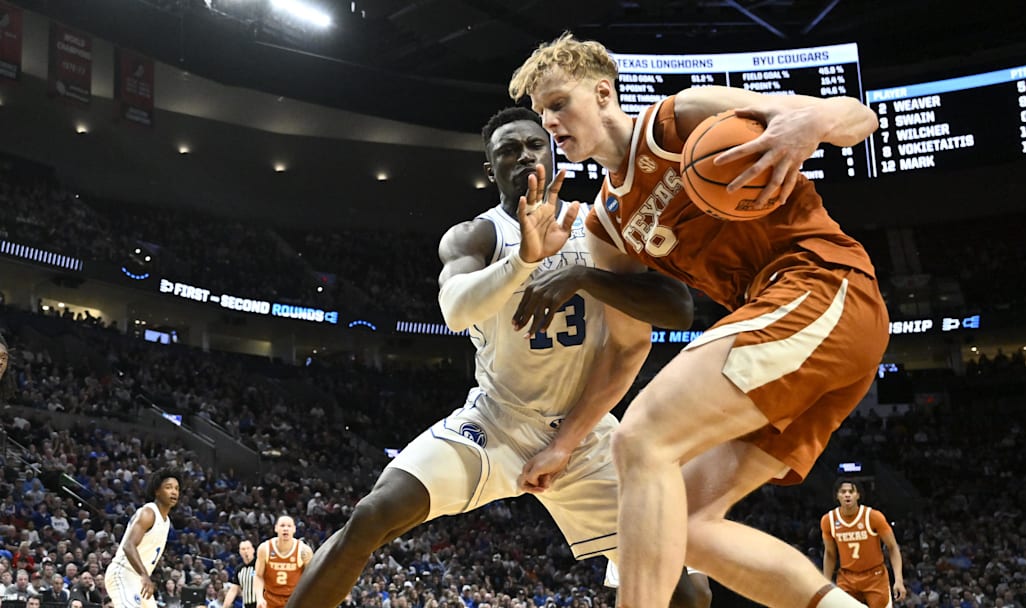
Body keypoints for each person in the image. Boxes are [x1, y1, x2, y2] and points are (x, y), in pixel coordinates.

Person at [509, 33, 888, 608]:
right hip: (800, 330)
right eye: (542, 113)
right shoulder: (607, 225)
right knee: (682, 521)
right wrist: (567, 442)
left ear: (604, 93)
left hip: (823, 283)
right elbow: (626, 347)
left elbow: (857, 116)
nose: (550, 123)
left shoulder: (678, 119)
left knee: (644, 437)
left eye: (559, 104)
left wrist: (806, 123)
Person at [285, 107, 707, 608]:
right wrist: (524, 259)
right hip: (497, 422)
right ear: (492, 168)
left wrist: (585, 276)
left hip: (583, 432)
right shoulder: (476, 236)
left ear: (551, 152)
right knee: (374, 513)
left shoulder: (596, 226)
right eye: (508, 150)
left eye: (533, 145)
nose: (524, 155)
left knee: (688, 591)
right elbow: (455, 310)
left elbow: (679, 309)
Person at [821, 480, 905, 608]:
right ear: (837, 496)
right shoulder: (829, 520)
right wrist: (825, 583)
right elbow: (830, 554)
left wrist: (898, 579)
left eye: (851, 491)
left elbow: (893, 547)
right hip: (847, 577)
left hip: (875, 576)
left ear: (858, 495)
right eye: (843, 492)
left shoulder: (873, 516)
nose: (847, 495)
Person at [105, 468, 182, 608]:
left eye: (176, 488)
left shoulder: (166, 521)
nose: (174, 492)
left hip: (139, 580)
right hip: (123, 573)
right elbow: (128, 545)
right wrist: (144, 575)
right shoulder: (149, 513)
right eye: (168, 487)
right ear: (157, 491)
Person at [254, 516, 312, 608]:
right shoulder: (265, 548)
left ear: (294, 529)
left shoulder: (304, 551)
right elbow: (258, 575)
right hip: (271, 599)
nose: (285, 529)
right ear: (276, 528)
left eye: (289, 526)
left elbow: (311, 578)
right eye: (282, 525)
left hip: (294, 599)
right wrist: (259, 598)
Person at [221, 539, 258, 608]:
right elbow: (233, 590)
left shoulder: (260, 565)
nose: (246, 551)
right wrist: (224, 606)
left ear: (253, 550)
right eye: (243, 549)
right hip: (247, 605)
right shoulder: (239, 569)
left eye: (248, 548)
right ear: (240, 552)